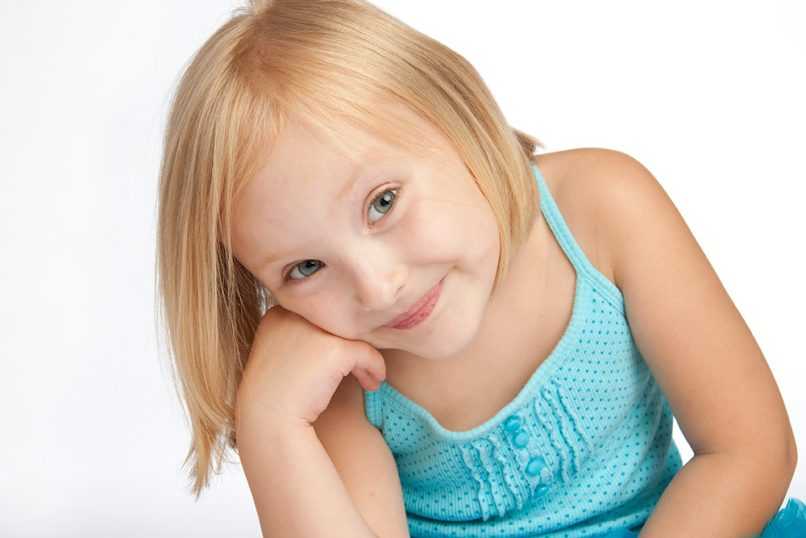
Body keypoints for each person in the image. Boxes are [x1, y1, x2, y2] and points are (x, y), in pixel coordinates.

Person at [154, 0, 805, 536]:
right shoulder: (336, 368)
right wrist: (274, 426)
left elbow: (747, 453)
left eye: (383, 203)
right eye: (305, 266)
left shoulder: (602, 211)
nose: (377, 287)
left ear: (459, 119)